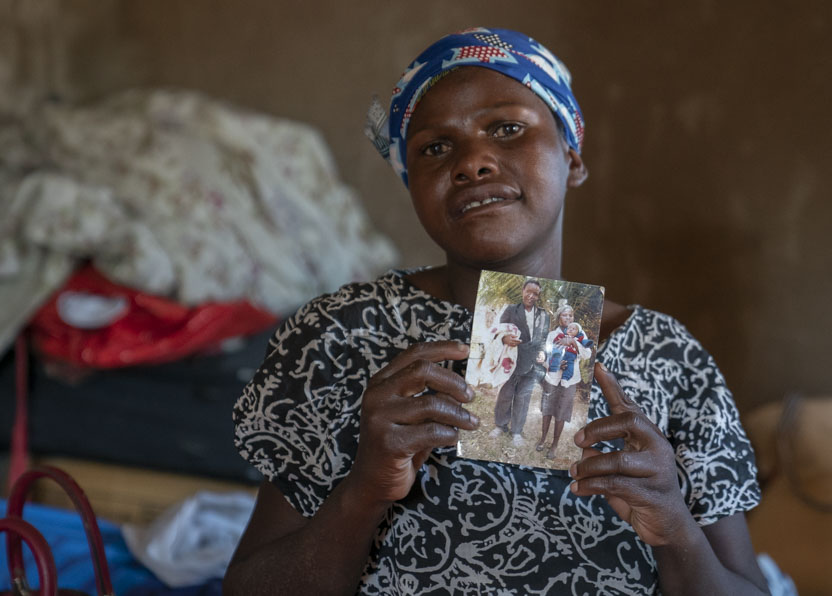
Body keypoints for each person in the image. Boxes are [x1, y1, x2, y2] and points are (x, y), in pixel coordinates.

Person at [224, 27, 769, 595]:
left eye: (507, 129)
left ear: (572, 157)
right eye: (435, 147)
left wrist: (676, 528)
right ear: (411, 184)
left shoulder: (669, 357)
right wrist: (363, 490)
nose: (474, 162)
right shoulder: (339, 334)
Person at [487, 278, 551, 446]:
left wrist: (543, 353)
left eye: (535, 294)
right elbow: (498, 332)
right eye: (528, 292)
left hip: (532, 363)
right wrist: (505, 339)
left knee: (523, 398)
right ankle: (500, 426)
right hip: (512, 360)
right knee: (505, 395)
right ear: (522, 290)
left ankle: (516, 432)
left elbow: (544, 340)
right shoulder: (510, 310)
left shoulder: (543, 315)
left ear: (538, 296)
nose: (531, 296)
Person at [537, 306, 593, 459]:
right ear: (558, 317)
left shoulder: (579, 334)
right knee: (547, 410)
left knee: (561, 413)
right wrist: (551, 365)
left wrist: (574, 343)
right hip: (552, 378)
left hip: (570, 381)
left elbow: (587, 354)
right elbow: (545, 355)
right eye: (564, 315)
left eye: (571, 315)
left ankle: (554, 444)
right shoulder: (552, 335)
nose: (568, 318)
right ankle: (543, 439)